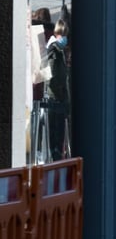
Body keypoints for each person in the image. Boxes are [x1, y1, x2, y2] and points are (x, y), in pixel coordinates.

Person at [45, 18, 70, 160]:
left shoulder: (57, 50)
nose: (65, 38)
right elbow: (54, 77)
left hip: (57, 97)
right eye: (64, 34)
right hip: (56, 98)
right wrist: (61, 94)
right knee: (56, 136)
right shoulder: (54, 50)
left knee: (57, 135)